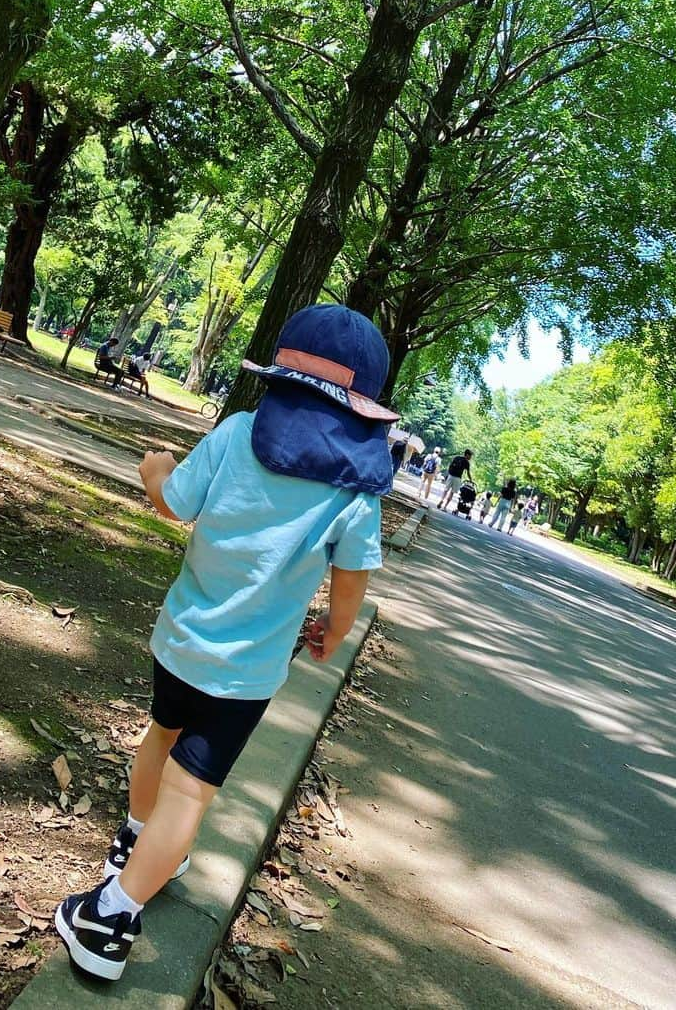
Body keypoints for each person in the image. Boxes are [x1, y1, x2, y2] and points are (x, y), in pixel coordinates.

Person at [53, 305, 395, 982]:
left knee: (160, 735)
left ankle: (123, 872)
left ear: (280, 377)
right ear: (363, 407)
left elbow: (175, 504)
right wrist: (335, 627)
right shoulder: (356, 491)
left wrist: (155, 470)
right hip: (248, 675)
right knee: (192, 796)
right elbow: (350, 583)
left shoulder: (238, 433)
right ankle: (118, 903)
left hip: (182, 641)